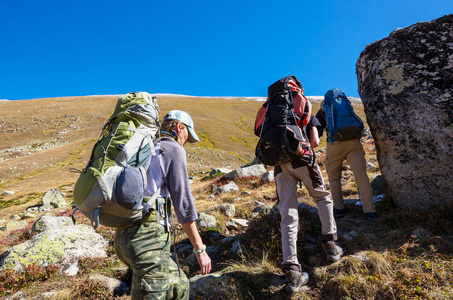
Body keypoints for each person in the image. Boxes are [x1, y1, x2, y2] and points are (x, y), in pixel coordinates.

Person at [114, 110, 212, 300]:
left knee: (179, 286)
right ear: (178, 127)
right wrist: (200, 250)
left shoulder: (147, 148)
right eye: (187, 136)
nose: (186, 141)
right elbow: (184, 205)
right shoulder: (173, 149)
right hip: (147, 240)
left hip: (125, 238)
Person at [275, 115, 344, 293]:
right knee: (322, 198)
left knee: (288, 214)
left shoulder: (268, 111)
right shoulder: (303, 109)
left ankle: (292, 272)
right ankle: (331, 247)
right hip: (303, 159)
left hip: (279, 166)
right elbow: (313, 142)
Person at [315, 88, 378, 221]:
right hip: (354, 143)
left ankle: (339, 209)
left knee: (334, 178)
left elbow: (318, 132)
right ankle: (369, 210)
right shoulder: (347, 106)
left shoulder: (324, 110)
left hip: (335, 145)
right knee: (361, 176)